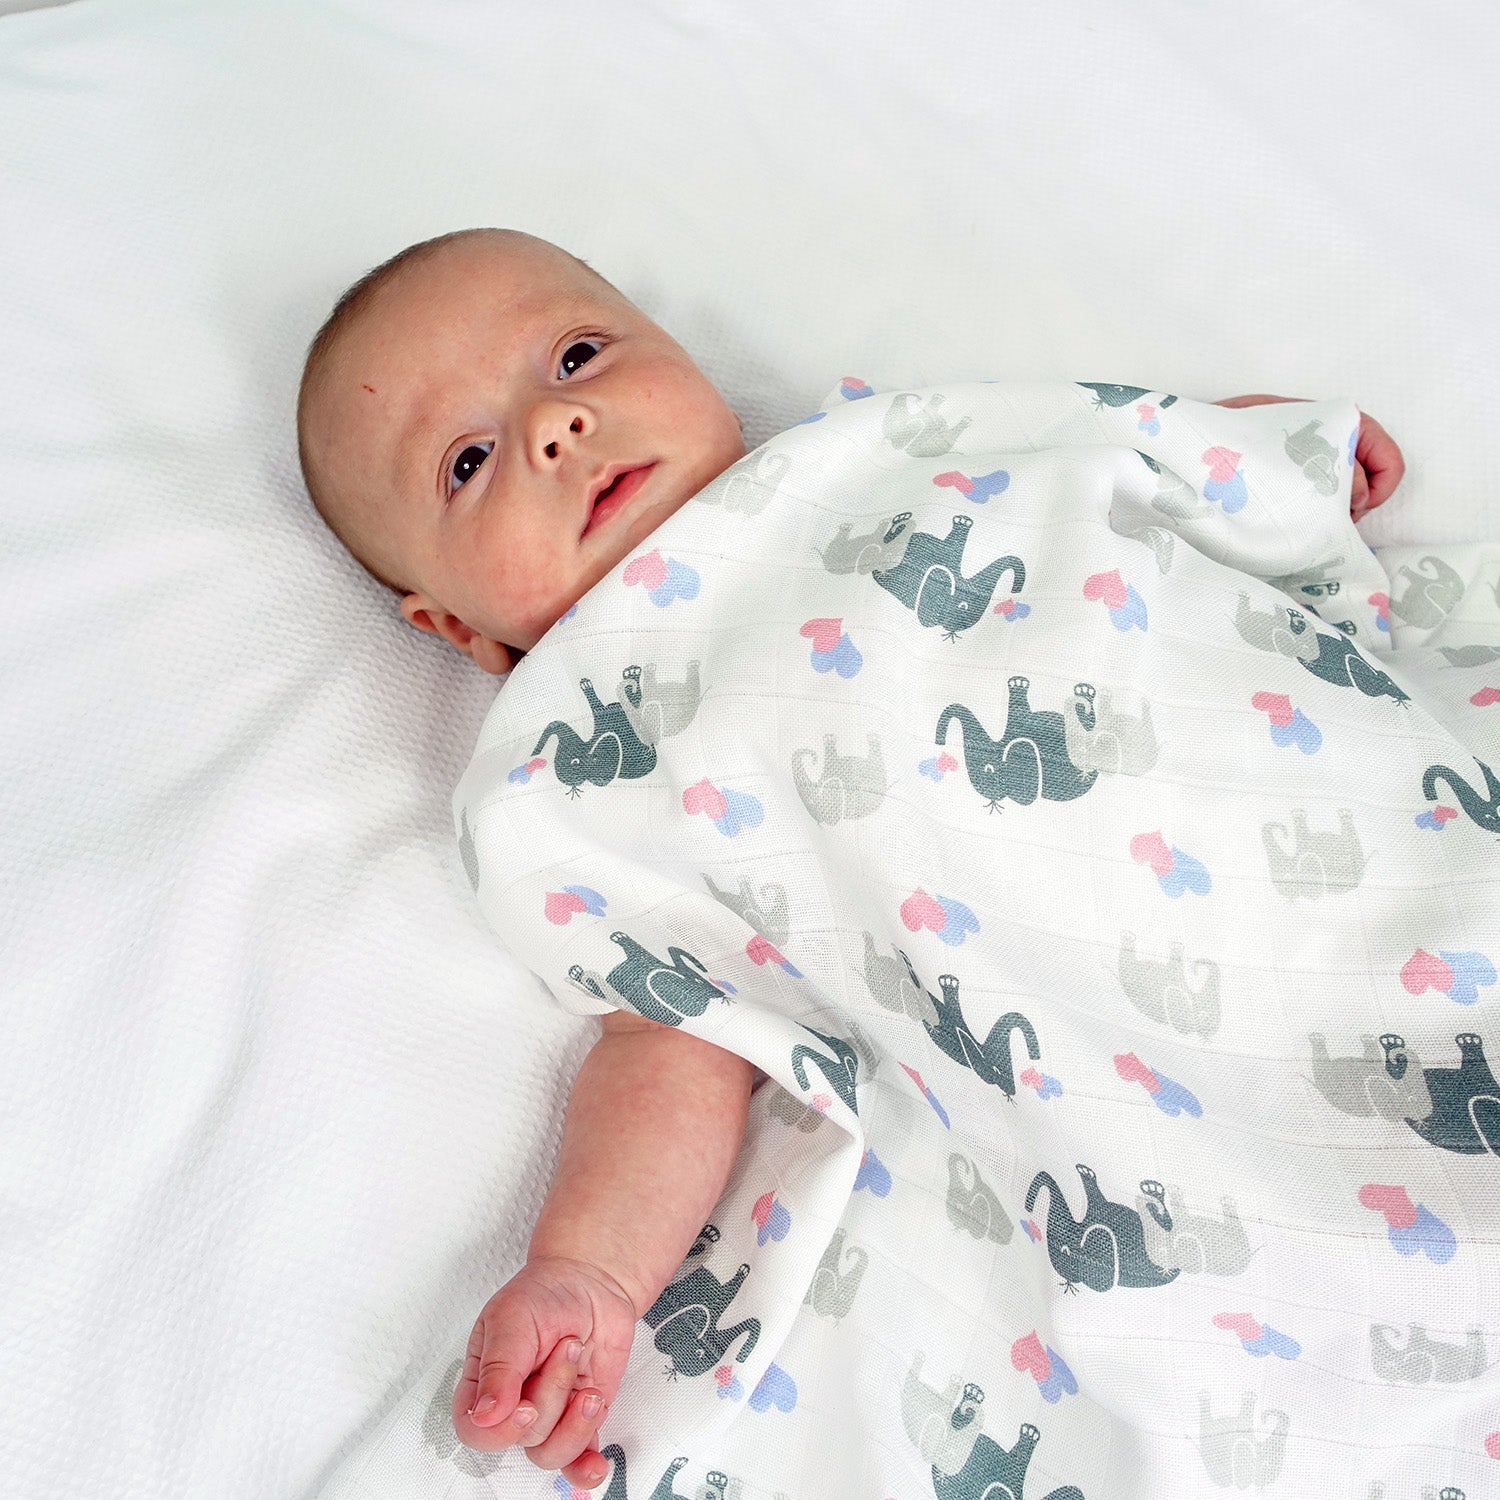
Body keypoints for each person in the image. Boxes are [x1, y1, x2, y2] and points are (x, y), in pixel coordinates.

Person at [295, 226, 1406, 1489]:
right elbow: (673, 1032)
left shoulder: (878, 452)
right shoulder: (577, 767)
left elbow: (1076, 463)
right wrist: (591, 1270)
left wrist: (1221, 446)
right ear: (458, 630)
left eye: (578, 353)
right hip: (1096, 1033)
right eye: (470, 460)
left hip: (1266, 829)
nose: (555, 428)